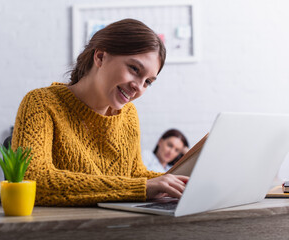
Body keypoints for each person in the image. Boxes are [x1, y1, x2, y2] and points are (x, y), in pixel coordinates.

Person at [11, 19, 189, 207]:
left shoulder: (128, 114)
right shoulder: (41, 103)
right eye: (134, 69)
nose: (138, 87)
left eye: (148, 82)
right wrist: (140, 188)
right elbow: (33, 180)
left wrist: (184, 182)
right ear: (100, 57)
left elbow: (134, 175)